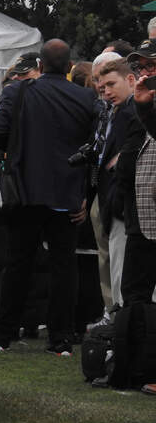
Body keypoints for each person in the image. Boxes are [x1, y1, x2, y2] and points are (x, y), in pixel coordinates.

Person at [0, 39, 98, 356]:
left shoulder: (17, 92)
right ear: (68, 66)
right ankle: (61, 337)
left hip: (25, 190)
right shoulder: (85, 97)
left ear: (41, 64)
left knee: (18, 263)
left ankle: (2, 334)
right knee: (64, 267)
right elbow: (94, 147)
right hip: (66, 192)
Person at [88, 59, 140, 323]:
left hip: (125, 207)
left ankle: (120, 327)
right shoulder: (118, 112)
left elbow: (125, 165)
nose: (105, 90)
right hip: (117, 205)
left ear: (130, 80)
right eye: (101, 84)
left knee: (121, 273)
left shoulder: (133, 114)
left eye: (111, 84)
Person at [125, 38, 156, 395]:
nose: (145, 72)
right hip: (141, 218)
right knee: (136, 295)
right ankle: (135, 366)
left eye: (151, 66)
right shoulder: (141, 103)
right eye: (141, 66)